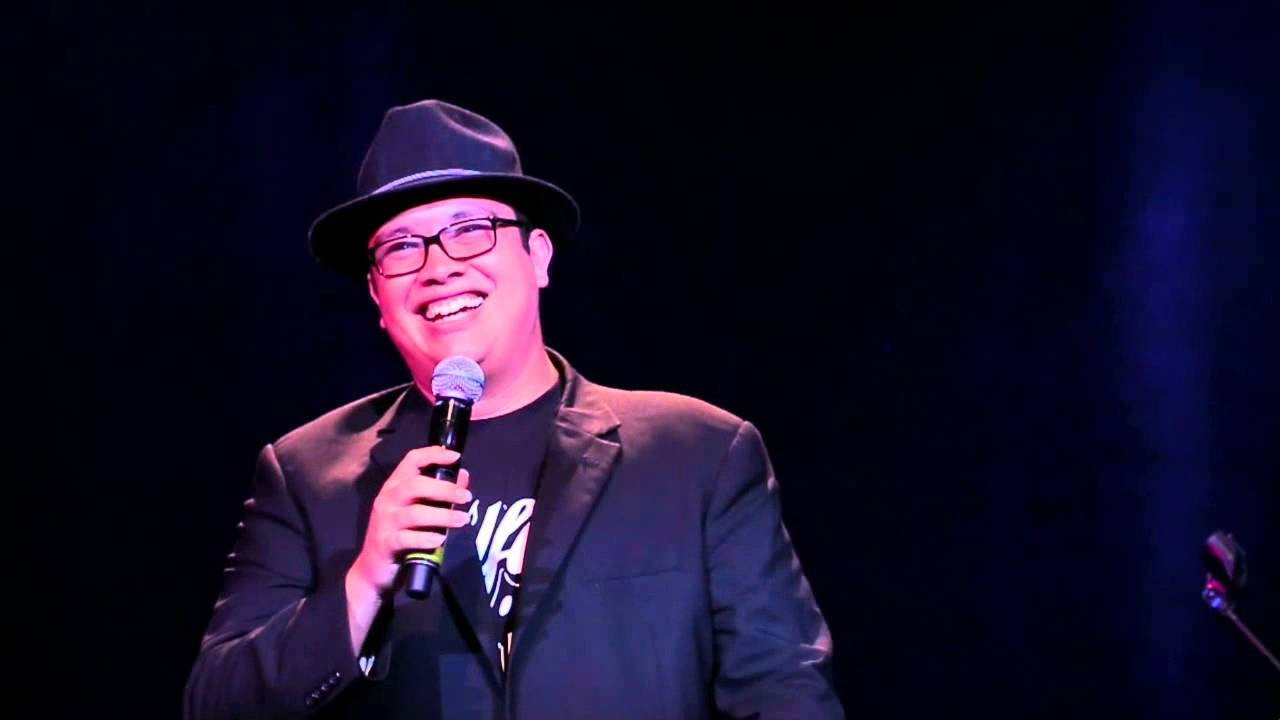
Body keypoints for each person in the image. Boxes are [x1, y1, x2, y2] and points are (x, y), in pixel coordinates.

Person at [183, 99, 844, 720]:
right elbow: (215, 703)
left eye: (470, 230)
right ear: (377, 297)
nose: (438, 267)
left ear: (539, 257)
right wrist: (362, 585)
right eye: (401, 246)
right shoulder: (304, 474)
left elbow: (783, 690)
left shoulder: (698, 454)